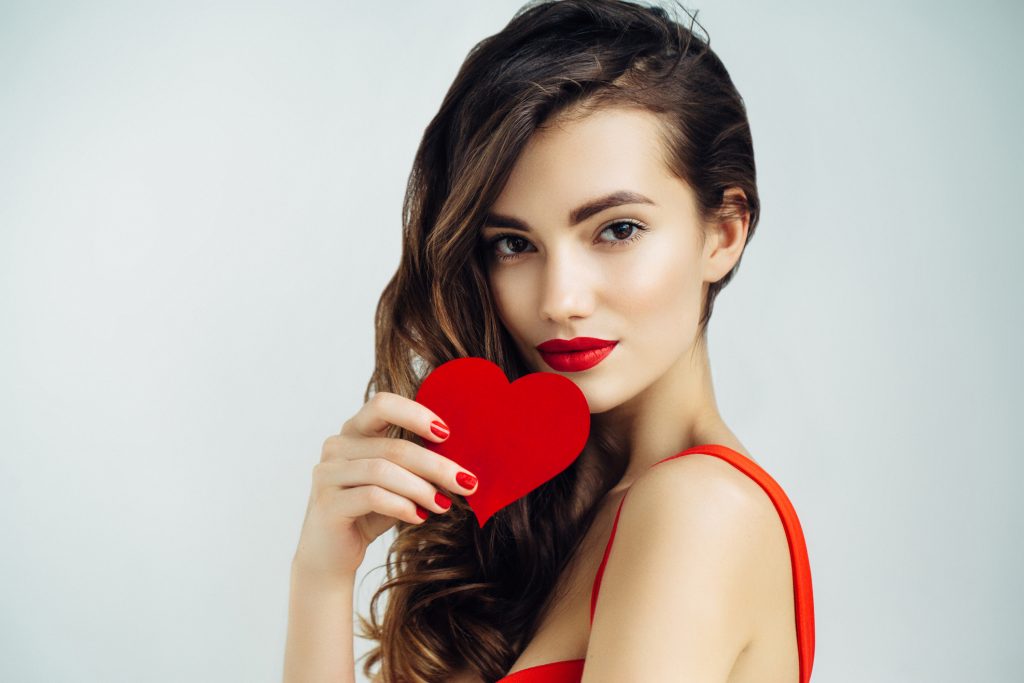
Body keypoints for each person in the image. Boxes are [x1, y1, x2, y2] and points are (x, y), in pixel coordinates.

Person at [283, 1, 815, 681]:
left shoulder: (698, 510)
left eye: (617, 229)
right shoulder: (545, 522)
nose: (560, 299)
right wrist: (322, 573)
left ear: (725, 231)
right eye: (514, 243)